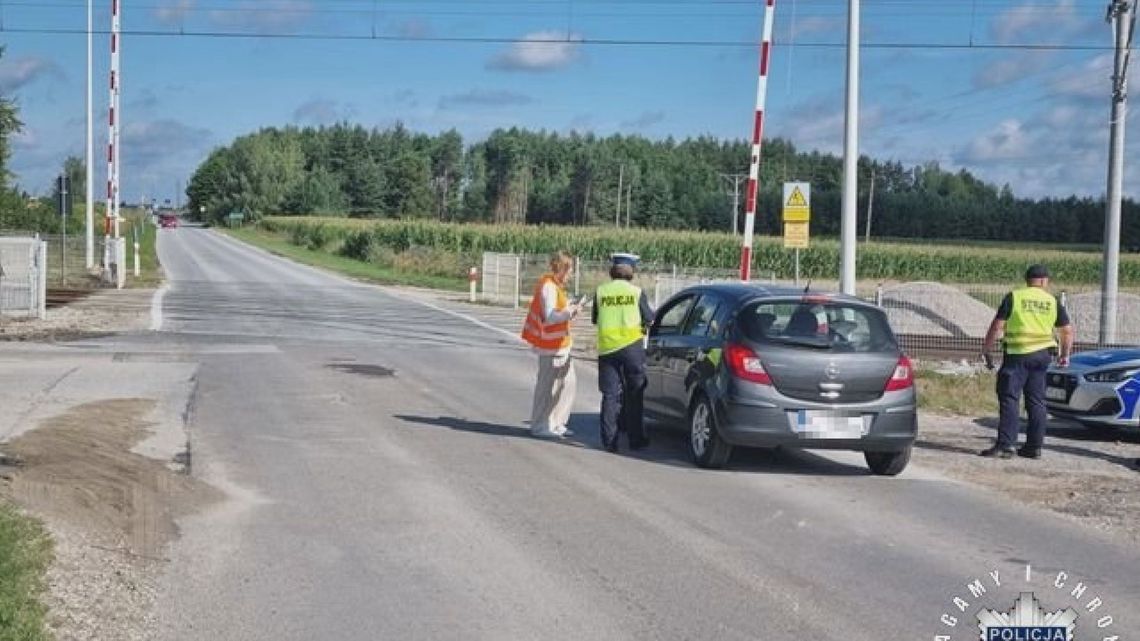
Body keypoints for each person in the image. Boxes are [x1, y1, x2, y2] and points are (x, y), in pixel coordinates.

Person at [979, 264, 1074, 460]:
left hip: (1017, 355)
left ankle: (1006, 445)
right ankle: (1034, 447)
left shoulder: (1015, 297)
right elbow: (1067, 330)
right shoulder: (1052, 301)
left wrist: (986, 349)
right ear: (1043, 281)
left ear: (1028, 280)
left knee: (1009, 398)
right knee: (1037, 401)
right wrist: (1065, 354)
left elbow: (997, 326)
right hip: (1042, 356)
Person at [592, 252, 655, 452]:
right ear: (631, 271)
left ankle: (610, 441)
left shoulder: (601, 292)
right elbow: (649, 318)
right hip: (632, 348)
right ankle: (636, 439)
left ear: (613, 270)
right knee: (634, 392)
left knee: (610, 396)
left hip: (608, 349)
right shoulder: (636, 293)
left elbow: (595, 318)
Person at [521, 250, 583, 438]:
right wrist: (569, 312)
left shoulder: (555, 285)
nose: (571, 274)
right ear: (562, 268)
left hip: (560, 344)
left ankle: (557, 422)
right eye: (570, 269)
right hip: (549, 346)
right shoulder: (548, 286)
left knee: (567, 384)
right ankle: (540, 425)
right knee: (547, 388)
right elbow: (550, 316)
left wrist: (569, 308)